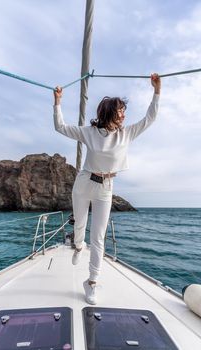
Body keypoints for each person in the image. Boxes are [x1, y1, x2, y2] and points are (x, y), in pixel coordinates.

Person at [53, 73, 161, 304]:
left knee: (99, 236)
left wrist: (157, 90)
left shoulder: (127, 133)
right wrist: (58, 101)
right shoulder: (89, 132)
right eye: (120, 110)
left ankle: (91, 282)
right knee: (80, 226)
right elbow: (59, 126)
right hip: (83, 183)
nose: (124, 114)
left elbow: (150, 118)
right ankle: (78, 246)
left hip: (106, 187)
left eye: (124, 110)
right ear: (109, 112)